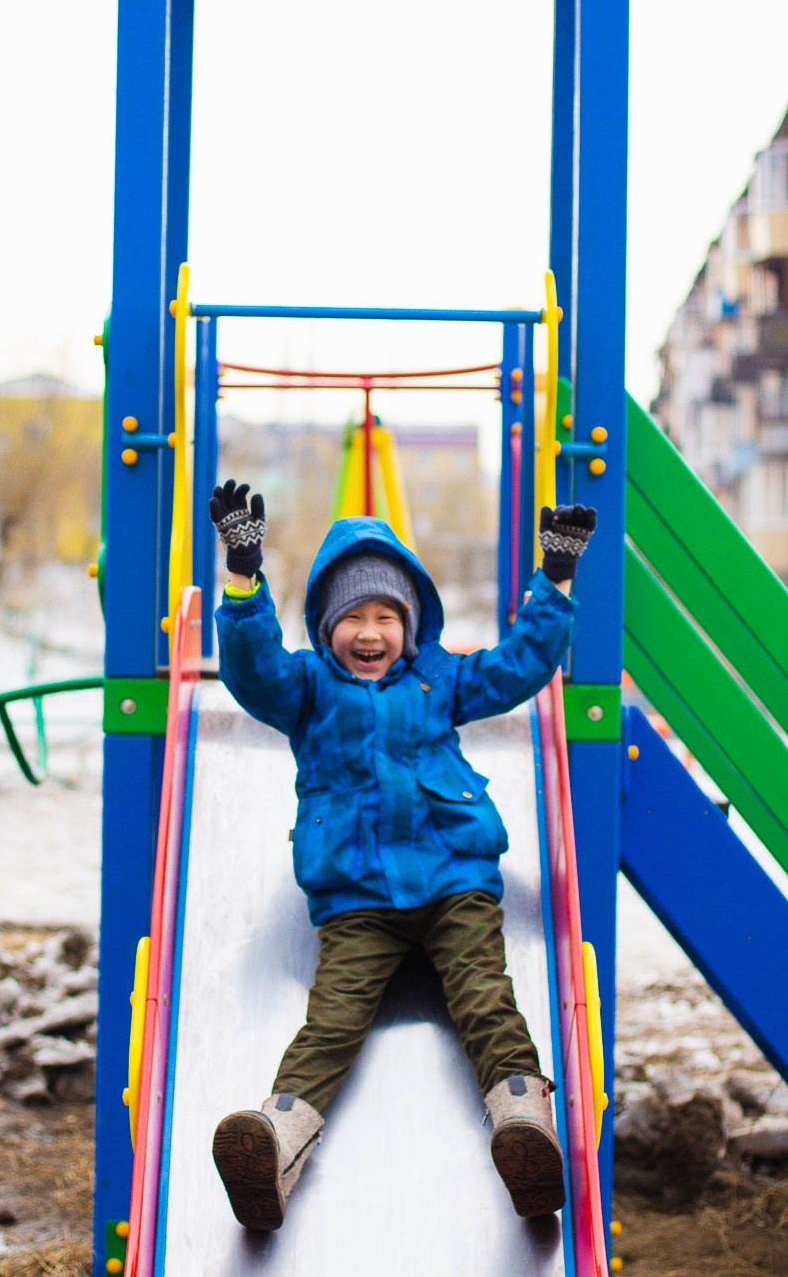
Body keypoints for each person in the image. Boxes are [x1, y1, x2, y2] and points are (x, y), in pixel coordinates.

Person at [208, 479, 596, 1230]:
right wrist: (243, 579)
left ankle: (524, 1127)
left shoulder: (441, 677)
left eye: (386, 615)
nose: (370, 630)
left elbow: (518, 667)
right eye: (352, 615)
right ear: (326, 626)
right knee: (333, 1018)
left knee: (483, 997)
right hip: (357, 898)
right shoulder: (306, 688)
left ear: (410, 623)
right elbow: (251, 671)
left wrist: (553, 582)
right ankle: (275, 1143)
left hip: (455, 881)